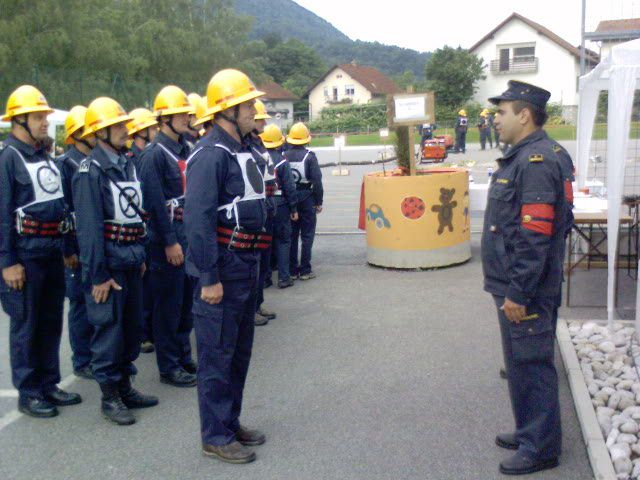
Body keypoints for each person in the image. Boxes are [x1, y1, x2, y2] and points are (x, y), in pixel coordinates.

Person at [481, 80, 568, 475]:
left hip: (526, 287)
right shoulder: (525, 157)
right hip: (514, 283)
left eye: (502, 112)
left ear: (525, 115)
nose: (495, 119)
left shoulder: (537, 162)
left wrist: (518, 291)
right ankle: (531, 428)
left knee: (532, 364)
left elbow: (535, 236)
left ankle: (541, 447)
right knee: (519, 362)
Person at [185, 69, 268, 463]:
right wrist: (209, 277)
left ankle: (230, 422)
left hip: (246, 263)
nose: (254, 109)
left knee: (238, 353)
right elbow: (198, 220)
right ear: (227, 110)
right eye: (248, 104)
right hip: (223, 268)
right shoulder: (209, 155)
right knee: (216, 355)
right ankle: (215, 435)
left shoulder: (244, 148)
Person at [73, 97, 159, 425]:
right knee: (108, 331)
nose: (127, 130)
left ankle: (125, 386)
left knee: (131, 328)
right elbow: (90, 229)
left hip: (130, 258)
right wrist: (97, 275)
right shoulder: (89, 171)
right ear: (103, 131)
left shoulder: (126, 163)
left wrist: (139, 253)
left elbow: (134, 216)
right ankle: (110, 397)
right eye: (120, 126)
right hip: (108, 266)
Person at [0, 85, 82, 418]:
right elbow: (2, 213)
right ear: (19, 121)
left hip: (50, 251)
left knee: (50, 321)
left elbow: (57, 206)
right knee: (26, 324)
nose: (45, 123)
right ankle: (29, 390)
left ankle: (49, 382)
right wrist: (7, 263)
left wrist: (66, 248)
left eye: (44, 117)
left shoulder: (43, 155)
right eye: (38, 117)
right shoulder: (8, 158)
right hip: (26, 256)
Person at [139, 85, 197, 387]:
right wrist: (170, 242)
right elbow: (154, 204)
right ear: (164, 120)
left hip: (187, 234)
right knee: (168, 306)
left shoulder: (185, 149)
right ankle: (169, 366)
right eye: (180, 114)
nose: (187, 118)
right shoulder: (153, 156)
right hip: (167, 239)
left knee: (185, 303)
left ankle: (183, 357)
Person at [57, 105, 97, 379]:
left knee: (94, 301)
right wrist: (68, 249)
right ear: (78, 133)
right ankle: (82, 360)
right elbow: (63, 212)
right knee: (80, 304)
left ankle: (94, 353)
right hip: (75, 246)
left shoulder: (92, 162)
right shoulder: (66, 165)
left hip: (91, 243)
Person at [126, 107, 159, 354]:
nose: (156, 131)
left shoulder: (146, 155)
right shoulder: (132, 159)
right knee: (143, 286)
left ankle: (148, 329)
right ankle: (144, 333)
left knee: (149, 284)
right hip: (138, 229)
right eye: (152, 128)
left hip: (145, 229)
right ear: (141, 131)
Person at [248, 99, 277, 326]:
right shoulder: (248, 145)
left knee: (263, 261)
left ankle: (257, 302)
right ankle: (251, 308)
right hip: (258, 206)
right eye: (261, 118)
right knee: (254, 262)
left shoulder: (257, 142)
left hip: (266, 205)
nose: (264, 121)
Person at [259, 124, 298, 289]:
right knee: (283, 240)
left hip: (264, 203)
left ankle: (266, 278)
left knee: (266, 242)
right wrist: (294, 208)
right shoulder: (282, 161)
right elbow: (289, 186)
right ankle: (283, 277)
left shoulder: (257, 157)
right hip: (281, 204)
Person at [284, 122, 323, 280]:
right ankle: (305, 269)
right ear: (307, 139)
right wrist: (319, 201)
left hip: (290, 199)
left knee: (292, 235)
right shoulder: (310, 156)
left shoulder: (284, 156)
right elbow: (317, 181)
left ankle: (292, 270)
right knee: (307, 235)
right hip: (307, 197)